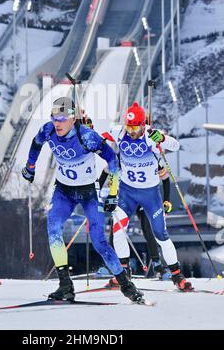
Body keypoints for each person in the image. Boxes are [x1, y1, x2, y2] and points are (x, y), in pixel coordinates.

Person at [21, 97, 145, 302]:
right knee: (53, 230)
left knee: (99, 242)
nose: (57, 123)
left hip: (88, 193)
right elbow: (36, 143)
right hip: (64, 192)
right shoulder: (48, 130)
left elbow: (113, 160)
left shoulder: (87, 137)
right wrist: (30, 167)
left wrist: (112, 193)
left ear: (73, 118)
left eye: (62, 118)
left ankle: (126, 286)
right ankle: (65, 286)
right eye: (54, 117)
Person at [108, 101, 193, 292]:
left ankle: (177, 275)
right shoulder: (119, 132)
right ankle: (123, 273)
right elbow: (99, 137)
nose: (131, 131)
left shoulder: (150, 137)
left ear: (143, 124)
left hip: (150, 195)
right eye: (128, 126)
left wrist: (161, 138)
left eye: (135, 126)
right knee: (118, 230)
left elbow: (176, 145)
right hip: (127, 193)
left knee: (161, 235)